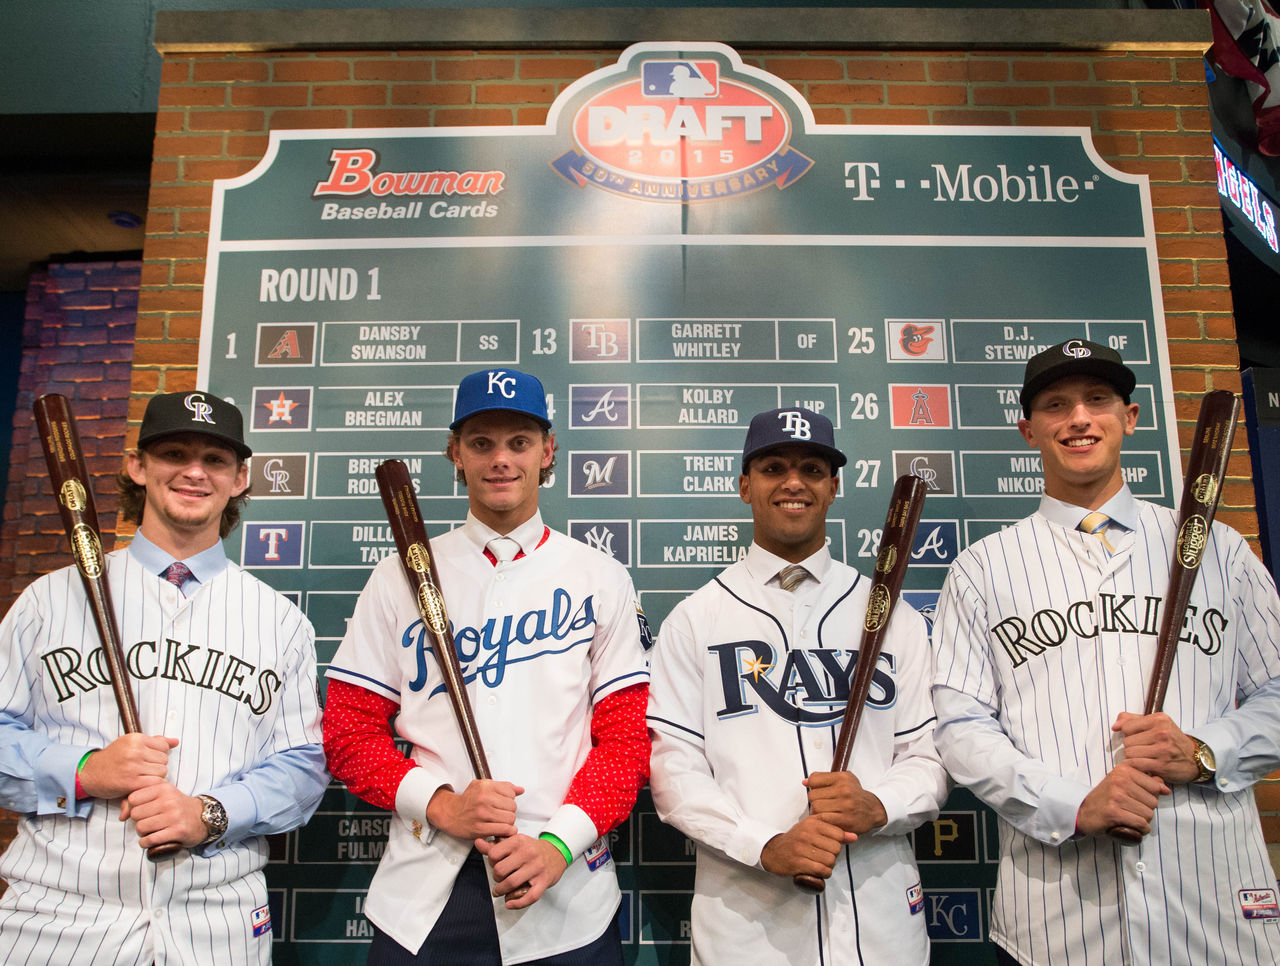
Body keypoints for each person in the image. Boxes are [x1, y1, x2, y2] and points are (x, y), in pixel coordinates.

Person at [931, 339, 1280, 965]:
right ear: (1028, 431)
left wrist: (1202, 752)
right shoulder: (983, 568)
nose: (1079, 418)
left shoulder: (1219, 549)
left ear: (1131, 418)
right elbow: (960, 727)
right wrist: (1070, 802)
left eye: (1098, 400)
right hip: (1057, 917)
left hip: (1214, 902)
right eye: (1056, 406)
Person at [323, 367, 651, 965]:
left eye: (519, 442)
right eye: (482, 443)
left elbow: (626, 743)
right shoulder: (398, 576)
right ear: (456, 453)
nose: (501, 459)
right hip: (423, 897)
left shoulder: (598, 576)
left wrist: (557, 844)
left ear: (548, 451)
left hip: (565, 892)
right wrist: (441, 802)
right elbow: (347, 733)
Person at [0, 390, 328, 964]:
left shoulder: (281, 622)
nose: (195, 472)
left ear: (240, 478)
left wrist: (209, 814)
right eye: (175, 452)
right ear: (138, 466)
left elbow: (302, 766)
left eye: (216, 460)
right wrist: (83, 771)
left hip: (217, 923)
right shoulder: (47, 601)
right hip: (58, 918)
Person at [646, 406, 949, 965]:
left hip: (879, 925)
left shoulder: (891, 615)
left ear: (834, 487)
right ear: (745, 486)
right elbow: (674, 772)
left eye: (812, 468)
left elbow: (927, 758)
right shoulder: (696, 619)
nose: (793, 482)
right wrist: (764, 845)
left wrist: (878, 804)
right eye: (773, 468)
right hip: (748, 928)